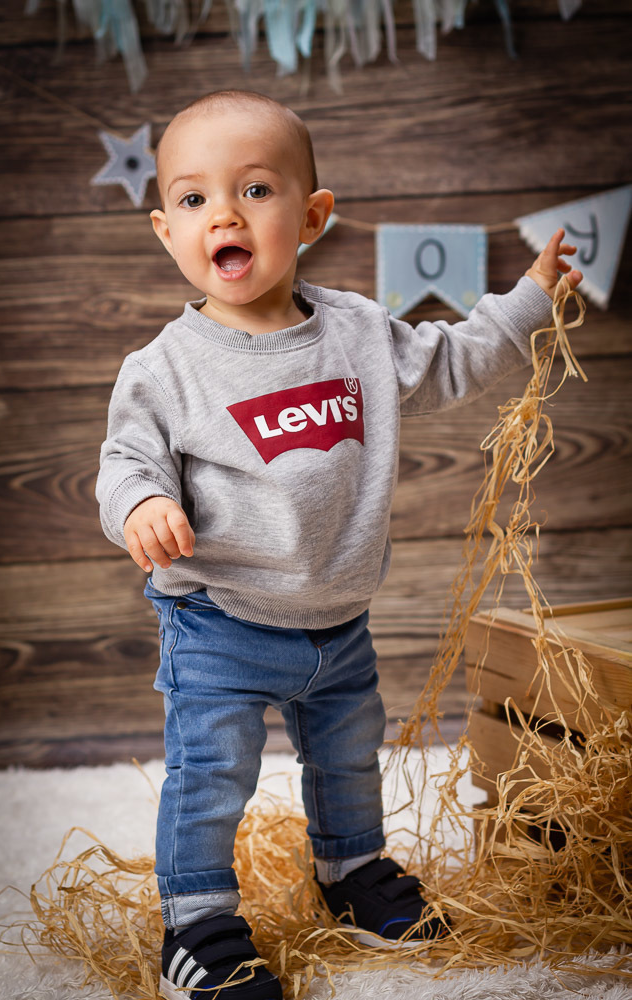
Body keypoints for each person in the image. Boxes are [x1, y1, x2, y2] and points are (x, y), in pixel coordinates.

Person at [96, 89, 582, 1000]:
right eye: (195, 200)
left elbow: (450, 362)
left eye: (254, 190)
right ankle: (196, 922)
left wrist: (526, 300)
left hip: (336, 617)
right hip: (220, 623)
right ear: (166, 231)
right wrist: (142, 504)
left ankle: (351, 870)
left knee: (349, 754)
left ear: (312, 216)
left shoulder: (356, 332)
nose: (224, 215)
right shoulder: (165, 368)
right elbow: (124, 460)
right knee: (211, 773)